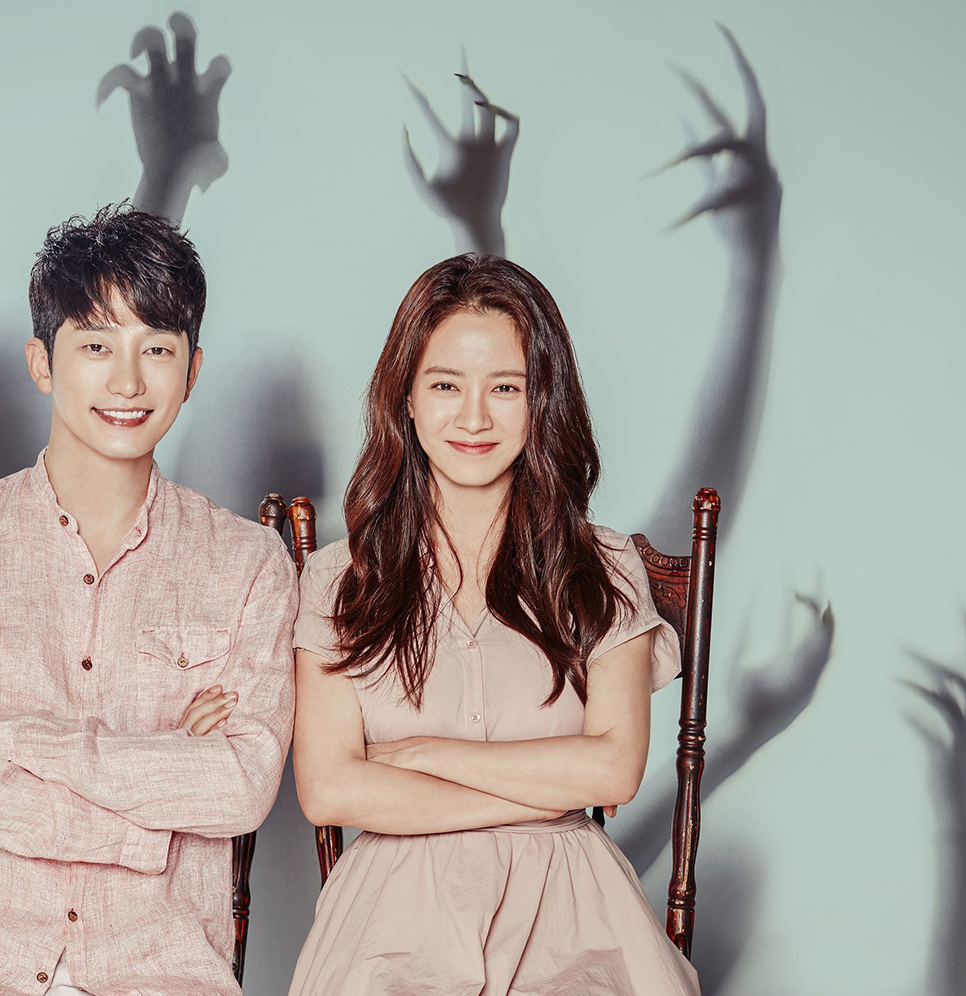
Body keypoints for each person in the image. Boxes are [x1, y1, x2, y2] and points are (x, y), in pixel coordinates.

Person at [0, 204, 299, 996]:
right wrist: (148, 799)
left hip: (161, 971)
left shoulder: (248, 564)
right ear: (42, 362)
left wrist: (0, 738)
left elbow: (238, 786)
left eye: (156, 349)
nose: (128, 382)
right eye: (96, 346)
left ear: (193, 370)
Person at [288, 253, 700, 995]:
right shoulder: (339, 577)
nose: (474, 418)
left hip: (574, 909)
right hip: (392, 917)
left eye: (506, 387)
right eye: (446, 385)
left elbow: (614, 770)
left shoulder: (604, 567)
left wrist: (422, 755)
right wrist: (549, 789)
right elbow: (328, 789)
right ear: (406, 398)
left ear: (542, 400)